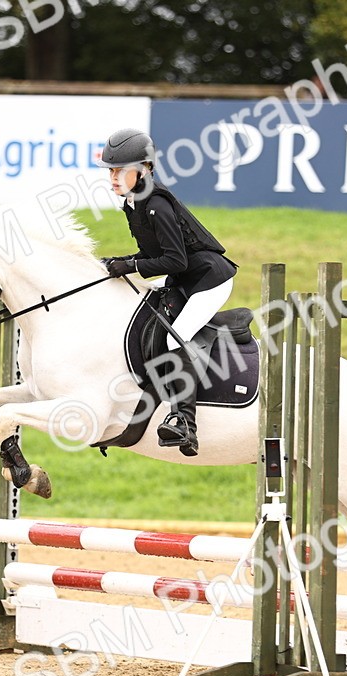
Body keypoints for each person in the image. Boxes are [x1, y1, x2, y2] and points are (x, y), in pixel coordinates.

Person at [99, 128, 237, 458]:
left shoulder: (156, 204)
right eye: (111, 171)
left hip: (208, 279)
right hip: (184, 277)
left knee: (177, 338)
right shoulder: (134, 203)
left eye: (120, 170)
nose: (113, 177)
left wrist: (130, 265)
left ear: (144, 169)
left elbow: (174, 259)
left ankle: (185, 423)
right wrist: (122, 262)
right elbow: (156, 256)